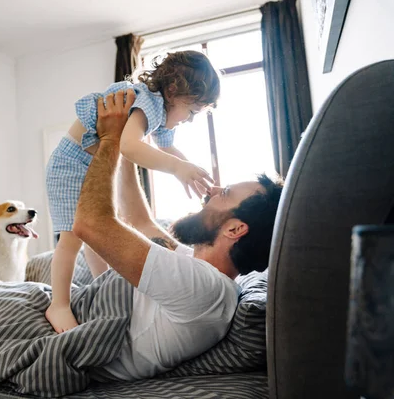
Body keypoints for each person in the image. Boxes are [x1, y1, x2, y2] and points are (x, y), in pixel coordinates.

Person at [74, 90, 283, 381]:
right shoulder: (196, 268)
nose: (211, 190)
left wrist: (108, 140)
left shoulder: (207, 289)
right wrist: (127, 146)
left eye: (224, 194)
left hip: (77, 344)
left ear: (235, 229)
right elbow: (139, 220)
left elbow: (90, 224)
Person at [46, 51, 221, 333]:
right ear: (173, 91)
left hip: (92, 166)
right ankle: (59, 305)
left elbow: (165, 148)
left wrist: (193, 172)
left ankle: (102, 285)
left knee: (96, 235)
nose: (188, 120)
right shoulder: (147, 103)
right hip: (70, 165)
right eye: (191, 112)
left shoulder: (161, 114)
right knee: (71, 237)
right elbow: (129, 147)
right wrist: (177, 169)